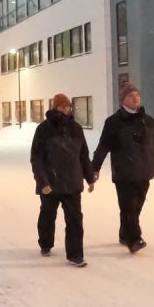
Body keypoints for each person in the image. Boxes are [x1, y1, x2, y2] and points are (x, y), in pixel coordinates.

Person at [90, 79, 154, 254]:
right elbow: (103, 146)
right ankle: (134, 239)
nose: (135, 98)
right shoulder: (113, 122)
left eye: (137, 95)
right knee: (129, 207)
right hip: (124, 173)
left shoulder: (148, 121)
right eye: (131, 95)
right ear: (123, 100)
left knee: (136, 207)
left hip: (144, 171)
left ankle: (124, 234)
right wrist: (94, 167)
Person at [30, 93, 95, 267]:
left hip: (72, 182)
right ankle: (45, 244)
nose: (66, 110)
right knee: (48, 215)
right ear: (55, 107)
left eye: (68, 106)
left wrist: (89, 178)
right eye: (62, 106)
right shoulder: (44, 129)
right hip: (51, 182)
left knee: (75, 220)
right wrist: (42, 182)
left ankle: (75, 255)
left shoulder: (76, 128)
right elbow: (37, 158)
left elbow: (83, 155)